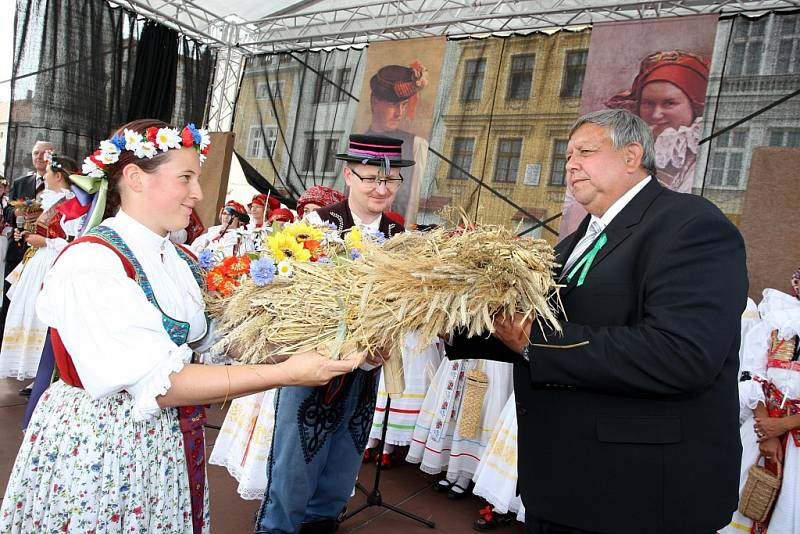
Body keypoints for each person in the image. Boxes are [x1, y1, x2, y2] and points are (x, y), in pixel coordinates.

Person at [0, 119, 357, 533]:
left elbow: (214, 341)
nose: (199, 193)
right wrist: (287, 374)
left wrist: (304, 351)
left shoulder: (179, 258)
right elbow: (163, 383)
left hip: (161, 441)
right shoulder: (93, 263)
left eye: (197, 178)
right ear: (134, 178)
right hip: (101, 444)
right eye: (185, 177)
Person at [449, 109, 748, 533]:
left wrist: (537, 341)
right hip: (565, 484)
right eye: (567, 155)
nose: (570, 163)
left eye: (585, 151)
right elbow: (527, 324)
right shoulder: (576, 240)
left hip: (639, 495)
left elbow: (682, 355)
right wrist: (451, 320)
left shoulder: (690, 225)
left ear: (632, 156)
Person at [256, 134, 410, 534]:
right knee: (294, 469)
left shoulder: (402, 238)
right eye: (371, 178)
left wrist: (385, 340)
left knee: (342, 466)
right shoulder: (315, 228)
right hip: (311, 369)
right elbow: (282, 297)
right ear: (348, 174)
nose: (381, 189)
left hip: (366, 370)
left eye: (391, 181)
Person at [209, 184, 348, 502]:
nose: (312, 218)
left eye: (319, 213)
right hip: (278, 347)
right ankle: (267, 490)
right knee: (268, 424)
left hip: (310, 344)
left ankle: (300, 497)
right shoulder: (283, 247)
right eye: (308, 211)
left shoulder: (333, 253)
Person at [560, 50, 710, 236]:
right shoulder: (585, 230)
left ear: (631, 157)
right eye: (648, 103)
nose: (656, 115)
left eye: (669, 103)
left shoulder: (696, 220)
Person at [720, 272, 800, 534]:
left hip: (789, 436)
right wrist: (766, 430)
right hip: (762, 432)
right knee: (742, 504)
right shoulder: (777, 318)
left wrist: (785, 424)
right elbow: (753, 372)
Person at [0, 154, 86, 382]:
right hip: (40, 261)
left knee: (42, 316)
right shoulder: (51, 201)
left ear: (58, 176)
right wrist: (26, 235)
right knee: (29, 312)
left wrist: (45, 242)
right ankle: (34, 371)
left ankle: (43, 373)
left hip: (52, 263)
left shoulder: (72, 205)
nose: (44, 176)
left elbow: (74, 240)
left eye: (48, 172)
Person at [0, 140, 54, 345]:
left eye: (43, 153)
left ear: (53, 156)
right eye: (35, 153)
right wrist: (17, 212)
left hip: (46, 247)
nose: (38, 157)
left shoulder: (61, 183)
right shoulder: (22, 182)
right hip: (19, 245)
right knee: (11, 297)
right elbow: (7, 210)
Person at [364, 63, 429, 225]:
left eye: (404, 105)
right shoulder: (358, 142)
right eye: (393, 105)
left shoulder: (415, 146)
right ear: (374, 102)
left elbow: (413, 202)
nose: (399, 113)